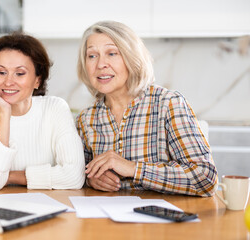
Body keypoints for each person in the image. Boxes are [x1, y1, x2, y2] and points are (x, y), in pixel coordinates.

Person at [76, 21, 218, 197]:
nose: (100, 64)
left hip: (166, 220)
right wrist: (91, 179)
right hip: (106, 220)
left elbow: (206, 178)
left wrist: (133, 169)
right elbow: (79, 173)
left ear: (131, 58)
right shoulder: (86, 119)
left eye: (112, 53)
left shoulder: (168, 104)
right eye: (92, 56)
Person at [0, 33, 85, 191]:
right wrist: (4, 114)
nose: (8, 82)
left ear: (37, 80)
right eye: (1, 72)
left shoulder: (55, 108)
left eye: (20, 73)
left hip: (49, 205)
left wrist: (9, 177)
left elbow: (74, 177)